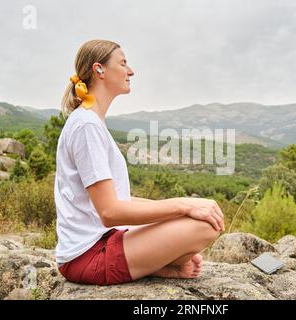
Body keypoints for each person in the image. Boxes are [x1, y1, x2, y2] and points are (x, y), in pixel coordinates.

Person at [55, 39, 225, 286]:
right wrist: (183, 206)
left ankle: (159, 266)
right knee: (205, 226)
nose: (130, 71)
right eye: (123, 63)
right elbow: (110, 212)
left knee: (203, 215)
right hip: (88, 256)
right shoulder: (86, 126)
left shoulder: (92, 123)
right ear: (99, 69)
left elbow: (120, 200)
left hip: (104, 241)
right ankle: (156, 263)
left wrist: (185, 207)